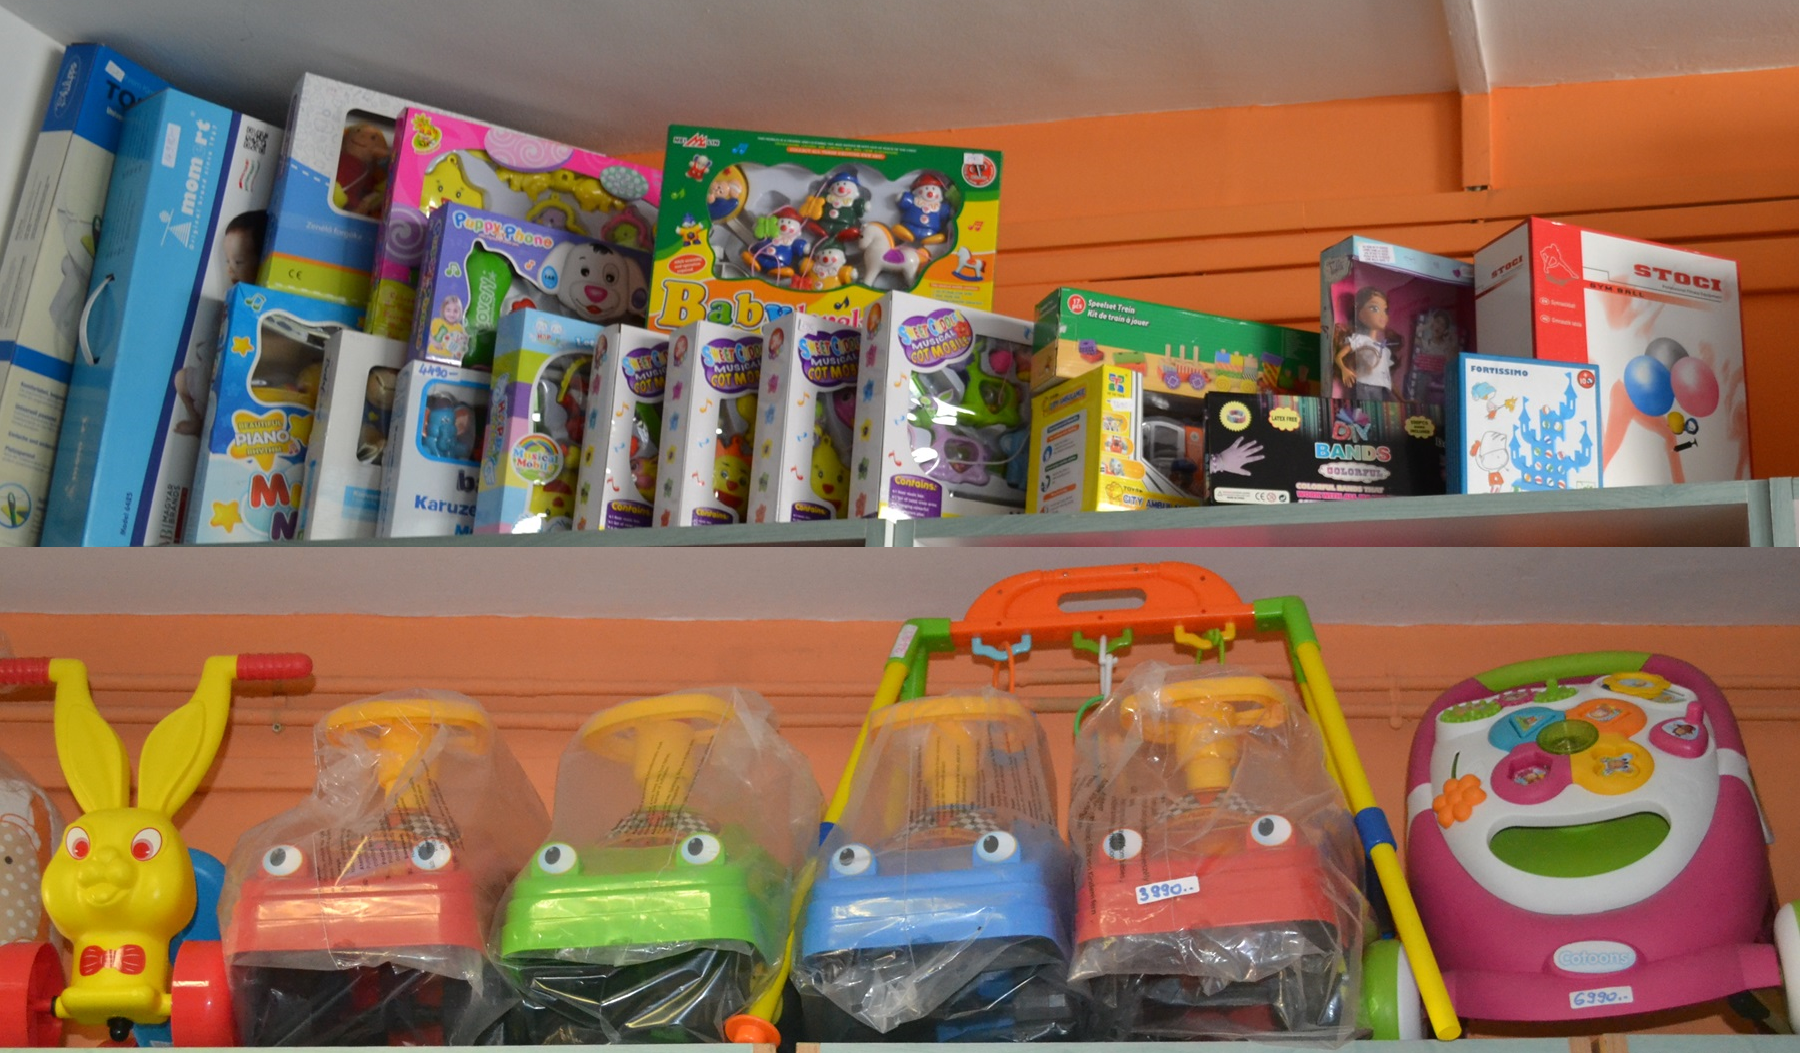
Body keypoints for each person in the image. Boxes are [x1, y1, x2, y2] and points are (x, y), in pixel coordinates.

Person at [1333, 286, 1407, 401]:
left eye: (1385, 310)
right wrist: (1345, 370)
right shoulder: (1359, 339)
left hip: (1381, 390)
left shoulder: (1385, 350)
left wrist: (1402, 399)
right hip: (1363, 386)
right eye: (1374, 308)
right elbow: (1338, 357)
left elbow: (1387, 379)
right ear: (1360, 313)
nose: (1382, 315)